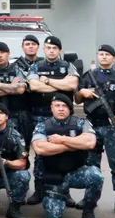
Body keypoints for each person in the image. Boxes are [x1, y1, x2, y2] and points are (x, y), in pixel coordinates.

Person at [76, 44, 115, 215]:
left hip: (113, 126)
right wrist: (83, 91)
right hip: (93, 126)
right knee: (91, 164)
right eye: (101, 54)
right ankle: (89, 199)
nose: (103, 57)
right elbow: (77, 99)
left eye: (107, 54)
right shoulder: (89, 76)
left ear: (114, 58)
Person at [31, 94, 102, 218]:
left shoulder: (81, 123)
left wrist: (62, 140)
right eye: (57, 106)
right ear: (51, 108)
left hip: (76, 173)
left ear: (70, 109)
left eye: (64, 106)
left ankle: (88, 212)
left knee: (96, 176)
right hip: (53, 176)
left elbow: (89, 142)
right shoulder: (42, 126)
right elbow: (40, 148)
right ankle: (60, 195)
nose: (61, 109)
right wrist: (73, 146)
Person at [25, 36, 81, 206]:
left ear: (59, 50)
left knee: (65, 152)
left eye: (54, 48)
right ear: (44, 49)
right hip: (40, 115)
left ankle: (65, 192)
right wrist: (61, 84)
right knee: (41, 154)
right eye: (48, 48)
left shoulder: (67, 66)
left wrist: (48, 81)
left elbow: (72, 85)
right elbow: (34, 86)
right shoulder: (36, 66)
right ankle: (39, 190)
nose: (51, 51)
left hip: (64, 118)